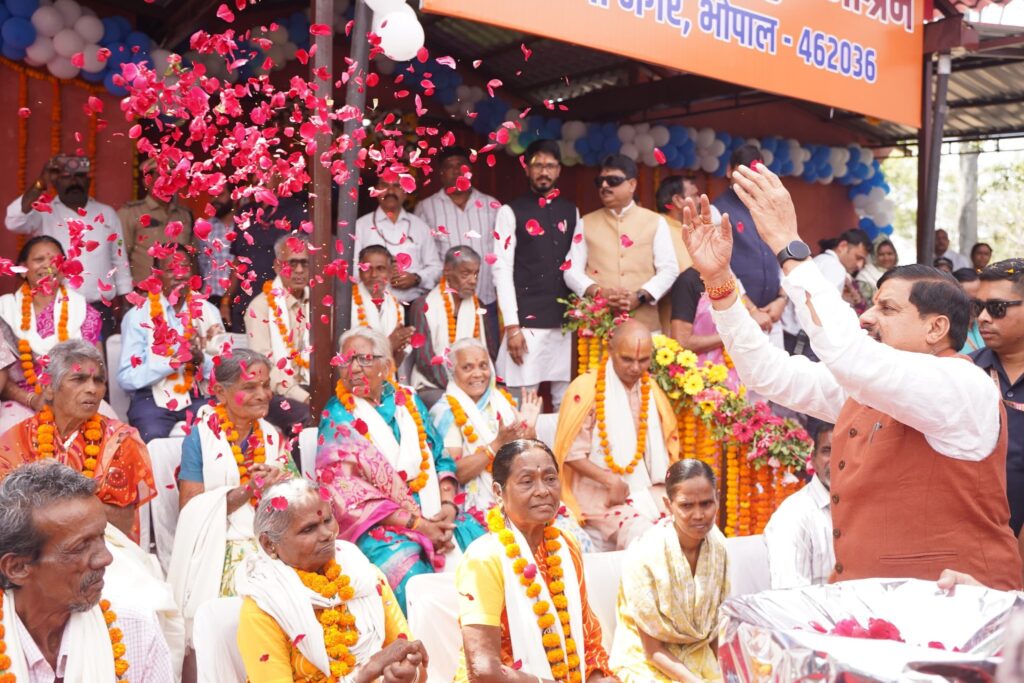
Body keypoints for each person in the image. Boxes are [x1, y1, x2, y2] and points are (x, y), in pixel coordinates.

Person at [679, 161, 1022, 589]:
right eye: (871, 304)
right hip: (868, 610)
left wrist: (788, 246)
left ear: (936, 328)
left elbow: (848, 355)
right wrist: (719, 281)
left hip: (957, 610)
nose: (866, 318)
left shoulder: (964, 386)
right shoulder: (864, 391)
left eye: (887, 309)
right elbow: (767, 373)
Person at [317, 328, 485, 611]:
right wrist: (421, 526)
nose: (354, 368)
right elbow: (348, 495)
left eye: (364, 359)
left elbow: (440, 456)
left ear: (386, 366)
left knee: (481, 549)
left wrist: (447, 505)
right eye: (346, 360)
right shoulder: (336, 417)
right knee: (410, 575)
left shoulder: (409, 400)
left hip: (436, 512)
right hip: (381, 526)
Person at [454, 439, 618, 683]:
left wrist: (598, 677)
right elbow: (483, 669)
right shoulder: (484, 557)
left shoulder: (566, 546)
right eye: (527, 481)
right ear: (498, 492)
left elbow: (587, 639)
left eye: (550, 478)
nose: (543, 490)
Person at [236, 478, 429, 683]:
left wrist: (409, 674)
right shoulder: (264, 609)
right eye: (308, 529)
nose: (327, 534)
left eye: (328, 520)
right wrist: (366, 673)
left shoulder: (363, 576)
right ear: (269, 544)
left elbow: (414, 663)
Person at [0, 461, 174, 681]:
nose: (106, 558)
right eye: (80, 547)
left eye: (102, 537)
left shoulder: (135, 628)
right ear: (17, 567)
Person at [168, 349, 295, 632]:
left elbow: (297, 496)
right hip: (221, 543)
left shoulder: (271, 435)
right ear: (220, 393)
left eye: (265, 385)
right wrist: (250, 489)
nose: (262, 395)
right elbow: (191, 509)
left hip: (272, 536)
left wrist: (280, 484)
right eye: (249, 387)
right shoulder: (200, 438)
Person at [0, 339, 155, 542]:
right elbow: (6, 515)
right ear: (49, 387)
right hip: (36, 547)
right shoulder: (15, 440)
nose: (92, 389)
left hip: (101, 545)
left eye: (98, 380)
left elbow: (124, 522)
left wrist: (65, 487)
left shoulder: (120, 440)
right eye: (78, 379)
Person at [553, 319, 680, 550]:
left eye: (643, 360)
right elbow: (569, 453)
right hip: (598, 498)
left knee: (690, 523)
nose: (635, 368)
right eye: (627, 359)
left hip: (647, 490)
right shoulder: (586, 390)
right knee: (646, 537)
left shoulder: (651, 389)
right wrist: (610, 480)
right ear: (610, 350)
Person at [610, 459, 728, 683]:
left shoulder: (718, 547)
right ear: (668, 504)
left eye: (706, 504)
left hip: (699, 653)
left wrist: (728, 672)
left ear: (717, 499)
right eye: (686, 505)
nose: (698, 514)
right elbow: (652, 650)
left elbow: (713, 632)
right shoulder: (645, 554)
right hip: (646, 662)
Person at [5, 154, 133, 338]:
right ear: (55, 182)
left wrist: (126, 309)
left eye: (79, 176)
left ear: (88, 181)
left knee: (98, 356)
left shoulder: (107, 213)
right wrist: (41, 182)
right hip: (55, 306)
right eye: (66, 177)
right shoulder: (43, 212)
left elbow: (119, 260)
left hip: (100, 309)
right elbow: (14, 221)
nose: (73, 182)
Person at [493, 139, 579, 409]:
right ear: (526, 169)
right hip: (526, 325)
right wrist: (512, 327)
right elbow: (502, 269)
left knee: (565, 402)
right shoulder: (510, 211)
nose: (544, 171)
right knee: (522, 403)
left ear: (559, 170)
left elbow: (576, 266)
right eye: (538, 165)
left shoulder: (571, 210)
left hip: (564, 324)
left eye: (550, 166)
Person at [117, 246, 224, 442]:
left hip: (199, 394)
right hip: (151, 397)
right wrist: (172, 362)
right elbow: (127, 377)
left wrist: (201, 359)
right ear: (157, 276)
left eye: (185, 268)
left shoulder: (209, 312)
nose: (180, 275)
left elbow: (225, 373)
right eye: (171, 269)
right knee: (152, 435)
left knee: (215, 436)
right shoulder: (137, 316)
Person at [0, 236, 105, 432]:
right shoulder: (5, 311)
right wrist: (32, 400)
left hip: (77, 398)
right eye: (39, 260)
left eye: (55, 260)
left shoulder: (84, 312)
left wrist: (69, 397)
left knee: (104, 435)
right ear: (23, 269)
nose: (48, 266)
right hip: (21, 401)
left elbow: (96, 371)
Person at [565, 154, 679, 331]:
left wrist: (640, 296)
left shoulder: (655, 222)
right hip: (599, 327)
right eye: (600, 181)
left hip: (645, 327)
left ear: (632, 184)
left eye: (613, 180)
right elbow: (571, 270)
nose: (604, 186)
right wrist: (598, 292)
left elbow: (669, 269)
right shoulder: (585, 222)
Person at [429, 338, 541, 515]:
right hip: (472, 506)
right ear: (452, 371)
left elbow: (531, 461)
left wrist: (530, 435)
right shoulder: (446, 412)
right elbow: (455, 474)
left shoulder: (501, 402)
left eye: (483, 366)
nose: (478, 374)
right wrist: (496, 445)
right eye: (467, 368)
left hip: (517, 495)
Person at [415, 146, 500, 348]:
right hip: (445, 304)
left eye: (461, 165)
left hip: (485, 299)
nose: (456, 171)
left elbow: (501, 255)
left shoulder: (491, 206)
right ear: (441, 173)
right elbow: (422, 257)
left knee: (488, 356)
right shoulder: (426, 208)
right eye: (449, 167)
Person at [972, 259, 1024, 539]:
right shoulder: (963, 373)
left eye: (996, 307)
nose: (983, 317)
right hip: (973, 541)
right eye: (978, 307)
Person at [245, 233, 312, 435]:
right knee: (310, 416)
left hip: (312, 387)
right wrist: (303, 396)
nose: (299, 270)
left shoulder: (318, 302)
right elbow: (265, 366)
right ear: (277, 266)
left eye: (305, 263)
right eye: (292, 263)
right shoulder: (260, 307)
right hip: (273, 394)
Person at [712, 146, 786, 324]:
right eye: (742, 173)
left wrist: (782, 299)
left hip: (774, 313)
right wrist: (750, 308)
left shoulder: (770, 208)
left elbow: (784, 252)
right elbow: (719, 267)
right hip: (740, 315)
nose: (749, 180)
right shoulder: (716, 210)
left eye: (755, 174)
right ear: (729, 171)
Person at [408, 245, 488, 407]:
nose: (473, 281)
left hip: (473, 384)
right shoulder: (423, 306)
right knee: (454, 406)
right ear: (447, 271)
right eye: (465, 274)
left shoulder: (478, 306)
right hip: (433, 386)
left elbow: (488, 355)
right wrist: (458, 388)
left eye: (476, 274)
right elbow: (425, 361)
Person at [669, 267, 772, 390]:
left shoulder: (728, 275)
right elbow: (682, 342)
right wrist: (733, 333)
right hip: (700, 383)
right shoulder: (688, 281)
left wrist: (753, 313)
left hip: (736, 377)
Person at [763, 418, 835, 588]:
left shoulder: (866, 509)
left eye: (844, 451)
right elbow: (791, 595)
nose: (836, 460)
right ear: (813, 459)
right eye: (827, 451)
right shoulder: (793, 515)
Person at [223, 187, 308, 331]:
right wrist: (225, 301)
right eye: (255, 175)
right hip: (243, 305)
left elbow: (303, 258)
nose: (259, 178)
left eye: (264, 174)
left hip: (279, 307)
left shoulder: (296, 210)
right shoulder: (245, 212)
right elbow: (238, 260)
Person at [780, 228, 870, 359]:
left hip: (793, 333)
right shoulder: (835, 267)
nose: (859, 265)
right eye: (858, 257)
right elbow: (821, 310)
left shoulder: (821, 260)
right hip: (803, 338)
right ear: (843, 246)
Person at [353, 175, 442, 304]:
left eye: (396, 186)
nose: (390, 191)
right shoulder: (361, 226)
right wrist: (378, 276)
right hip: (371, 305)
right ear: (376, 190)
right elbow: (351, 268)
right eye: (384, 185)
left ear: (406, 191)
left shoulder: (420, 226)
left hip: (412, 305)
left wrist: (416, 278)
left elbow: (436, 268)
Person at [117, 158, 195, 284]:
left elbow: (192, 258)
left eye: (172, 176)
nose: (168, 181)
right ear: (147, 181)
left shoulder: (185, 215)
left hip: (178, 289)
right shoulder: (130, 213)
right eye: (161, 176)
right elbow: (119, 257)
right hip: (143, 291)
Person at [352, 245, 415, 366]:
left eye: (380, 268)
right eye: (367, 268)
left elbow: (396, 363)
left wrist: (401, 344)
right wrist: (389, 345)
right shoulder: (347, 304)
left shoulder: (397, 307)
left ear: (390, 273)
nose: (374, 274)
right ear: (360, 272)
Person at [196, 188, 235, 301]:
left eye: (220, 194)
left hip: (237, 298)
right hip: (211, 297)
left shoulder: (246, 226)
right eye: (212, 195)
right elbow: (202, 265)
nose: (215, 199)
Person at [854, 238, 898, 302]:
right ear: (874, 256)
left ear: (895, 255)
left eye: (889, 253)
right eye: (881, 254)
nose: (886, 258)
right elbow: (864, 304)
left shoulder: (900, 273)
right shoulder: (865, 276)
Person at [954, 268, 985, 354]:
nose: (975, 307)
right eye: (969, 301)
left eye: (979, 301)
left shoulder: (987, 324)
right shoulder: (945, 333)